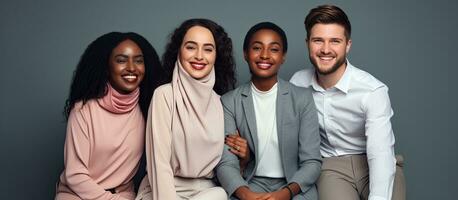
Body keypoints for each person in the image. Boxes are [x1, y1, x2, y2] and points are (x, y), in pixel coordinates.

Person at [290, 4, 406, 200]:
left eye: (335, 41)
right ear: (307, 43)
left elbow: (380, 153)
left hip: (376, 163)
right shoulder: (298, 83)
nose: (325, 50)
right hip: (331, 167)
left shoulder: (372, 91)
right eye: (318, 40)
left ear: (348, 45)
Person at [216, 22, 321, 200]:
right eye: (257, 48)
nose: (264, 55)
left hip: (293, 186)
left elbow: (312, 162)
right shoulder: (229, 102)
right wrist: (247, 195)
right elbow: (226, 163)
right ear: (246, 54)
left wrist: (285, 193)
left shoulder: (302, 98)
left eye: (274, 49)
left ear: (283, 56)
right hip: (249, 183)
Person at [135, 18, 236, 200]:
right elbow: (160, 165)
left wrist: (242, 159)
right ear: (178, 51)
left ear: (216, 55)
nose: (199, 56)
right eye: (191, 47)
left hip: (206, 193)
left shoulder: (222, 103)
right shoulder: (164, 96)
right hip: (163, 191)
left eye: (208, 49)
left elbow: (226, 165)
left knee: (220, 195)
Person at [55, 32, 163, 200]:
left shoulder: (148, 108)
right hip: (77, 195)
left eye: (138, 60)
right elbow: (75, 175)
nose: (132, 67)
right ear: (106, 66)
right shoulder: (83, 110)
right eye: (121, 60)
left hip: (124, 195)